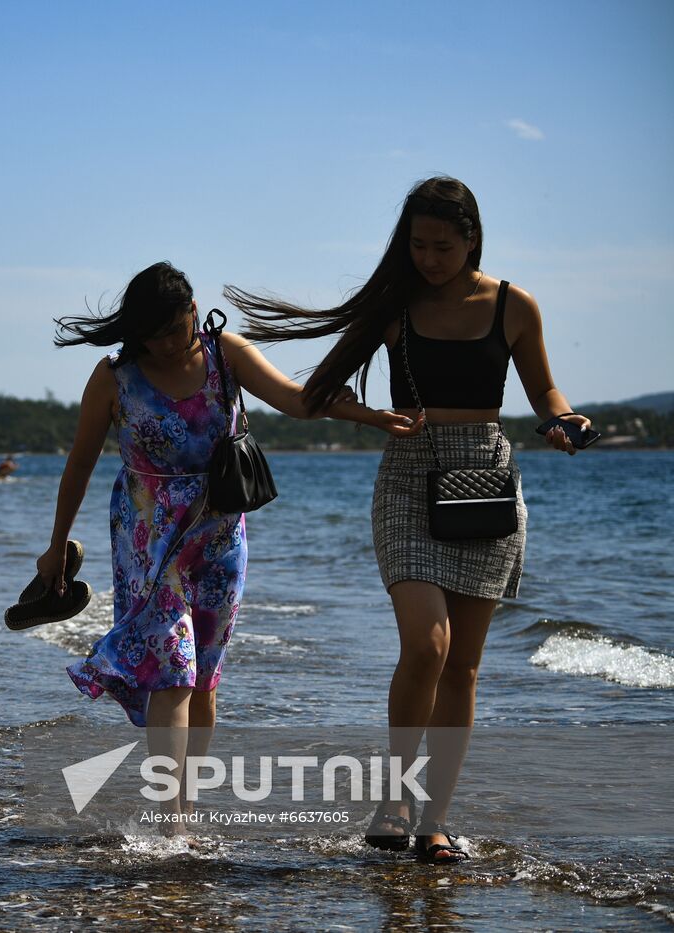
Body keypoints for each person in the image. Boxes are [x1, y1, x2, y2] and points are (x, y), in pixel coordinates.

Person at [225, 176, 593, 864]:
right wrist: (375, 418)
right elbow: (316, 395)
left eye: (442, 246)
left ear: (472, 239)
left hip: (484, 479)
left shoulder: (515, 306)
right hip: (407, 479)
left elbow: (543, 389)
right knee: (427, 644)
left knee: (465, 668)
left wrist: (564, 420)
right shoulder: (395, 309)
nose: (428, 257)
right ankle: (394, 795)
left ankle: (435, 820)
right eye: (418, 245)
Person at [36, 261, 413, 832]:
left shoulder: (224, 354)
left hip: (219, 537)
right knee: (172, 669)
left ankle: (185, 804)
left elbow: (296, 399)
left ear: (193, 312)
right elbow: (80, 462)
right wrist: (56, 543)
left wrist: (368, 415)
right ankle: (175, 822)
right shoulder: (113, 377)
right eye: (150, 334)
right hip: (148, 539)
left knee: (205, 677)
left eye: (171, 330)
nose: (162, 345)